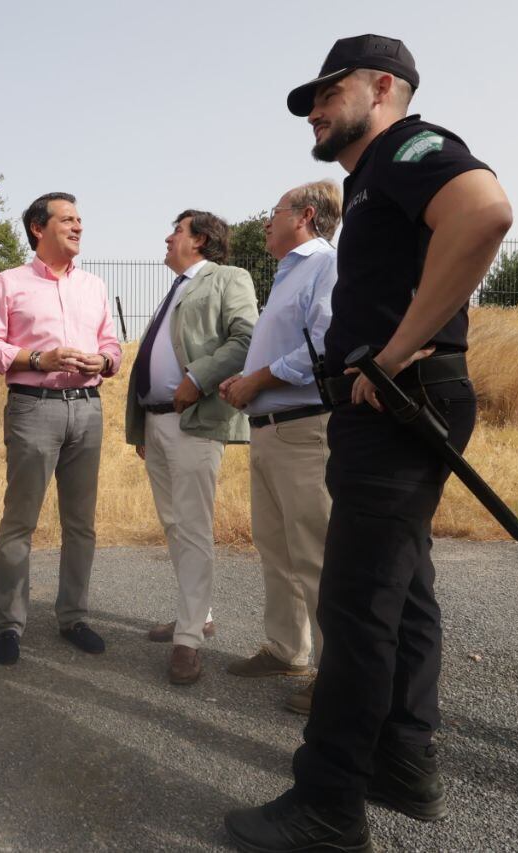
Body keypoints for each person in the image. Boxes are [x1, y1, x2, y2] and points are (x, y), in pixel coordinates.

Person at [223, 35, 512, 852]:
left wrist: (391, 350)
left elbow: (486, 210)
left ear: (384, 86)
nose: (313, 109)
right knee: (405, 588)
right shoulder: (375, 173)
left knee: (356, 604)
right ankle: (403, 760)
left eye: (327, 92)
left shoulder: (408, 148)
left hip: (397, 397)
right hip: (400, 397)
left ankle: (329, 804)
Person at [0, 192, 123, 667]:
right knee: (21, 521)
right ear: (39, 228)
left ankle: (74, 617)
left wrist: (103, 360)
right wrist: (39, 358)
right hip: (33, 408)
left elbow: (112, 347)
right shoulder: (9, 283)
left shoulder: (95, 286)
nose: (78, 227)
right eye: (67, 220)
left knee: (81, 523)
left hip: (87, 408)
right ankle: (9, 625)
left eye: (81, 219)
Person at [219, 181, 340, 715]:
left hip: (304, 429)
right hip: (269, 427)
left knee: (315, 554)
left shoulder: (326, 265)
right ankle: (288, 650)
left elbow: (327, 347)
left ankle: (336, 676)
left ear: (306, 216)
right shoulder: (289, 273)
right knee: (276, 547)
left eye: (275, 213)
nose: (267, 223)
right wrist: (248, 383)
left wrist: (259, 378)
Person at [124, 210, 257, 685]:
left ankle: (188, 640)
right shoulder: (176, 288)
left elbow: (247, 339)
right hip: (157, 423)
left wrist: (198, 378)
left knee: (194, 528)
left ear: (199, 239)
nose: (167, 237)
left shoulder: (227, 278)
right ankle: (197, 615)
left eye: (176, 231)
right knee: (175, 525)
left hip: (194, 419)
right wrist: (142, 426)